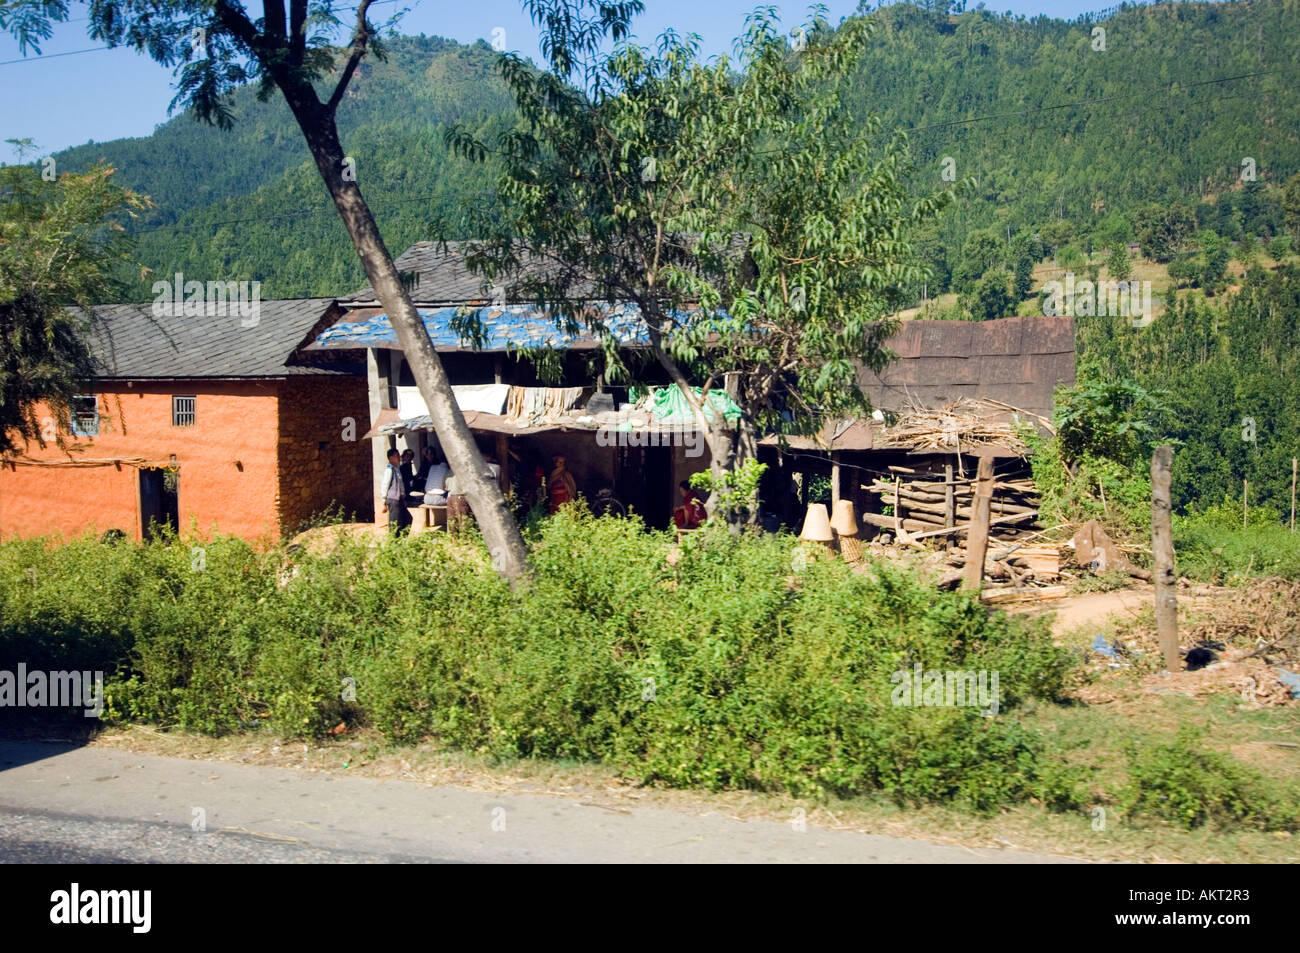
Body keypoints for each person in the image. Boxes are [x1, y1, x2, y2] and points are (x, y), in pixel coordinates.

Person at [380, 448, 410, 535]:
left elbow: (400, 486)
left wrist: (403, 498)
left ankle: (401, 540)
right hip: (393, 499)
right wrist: (383, 502)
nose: (399, 458)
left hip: (399, 499)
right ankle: (394, 542)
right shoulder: (389, 470)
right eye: (397, 456)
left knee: (407, 519)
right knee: (395, 523)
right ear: (391, 458)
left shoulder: (397, 469)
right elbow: (385, 485)